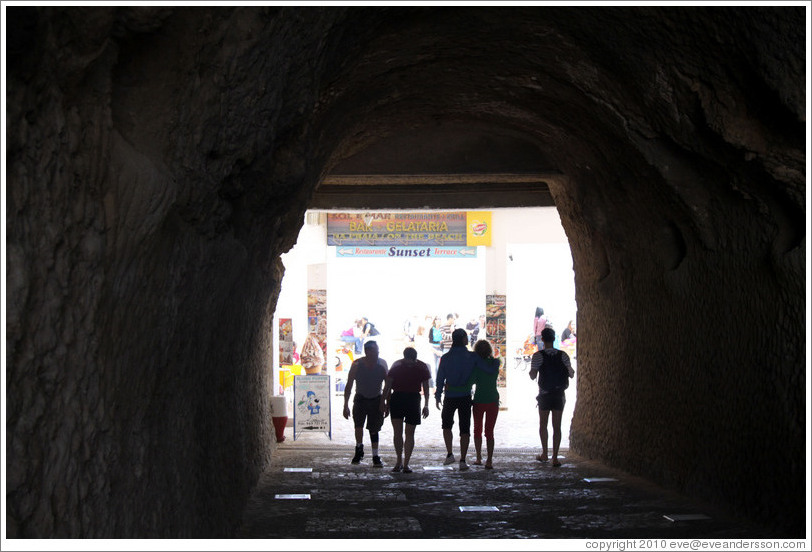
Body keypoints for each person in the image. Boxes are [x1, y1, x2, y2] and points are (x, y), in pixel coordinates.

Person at [379, 347, 431, 473]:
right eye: (408, 361)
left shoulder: (399, 365)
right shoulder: (421, 366)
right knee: (398, 432)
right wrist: (383, 401)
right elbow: (388, 385)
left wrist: (426, 404)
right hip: (404, 398)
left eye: (411, 361)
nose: (410, 363)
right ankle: (399, 461)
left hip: (407, 399)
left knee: (409, 433)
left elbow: (426, 387)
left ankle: (405, 462)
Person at [529, 327, 574, 467]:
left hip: (544, 395)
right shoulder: (563, 355)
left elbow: (532, 375)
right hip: (559, 395)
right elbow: (571, 373)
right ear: (554, 339)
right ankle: (555, 457)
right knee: (557, 426)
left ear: (542, 339)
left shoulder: (538, 356)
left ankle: (544, 454)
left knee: (543, 424)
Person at [434, 328, 478, 470]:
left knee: (446, 425)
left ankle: (450, 454)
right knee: (465, 428)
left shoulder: (445, 358)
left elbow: (440, 378)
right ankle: (463, 460)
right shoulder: (472, 357)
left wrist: (437, 395)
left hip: (450, 396)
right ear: (464, 339)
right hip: (465, 396)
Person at [343, 341, 388, 467]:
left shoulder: (382, 364)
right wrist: (345, 405)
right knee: (358, 426)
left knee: (374, 429)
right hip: (361, 398)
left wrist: (385, 402)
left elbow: (388, 385)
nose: (378, 353)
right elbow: (349, 384)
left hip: (376, 399)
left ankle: (375, 455)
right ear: (367, 351)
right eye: (375, 351)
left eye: (378, 351)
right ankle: (359, 448)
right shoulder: (357, 364)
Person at [470, 340, 501, 469]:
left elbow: (472, 381)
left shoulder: (475, 366)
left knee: (477, 429)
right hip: (493, 398)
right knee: (490, 431)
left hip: (479, 399)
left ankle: (478, 457)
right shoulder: (495, 363)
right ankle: (489, 460)